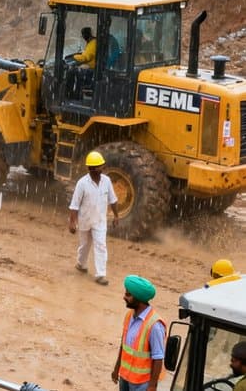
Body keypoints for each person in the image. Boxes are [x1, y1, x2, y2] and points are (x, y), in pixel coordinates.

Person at [69, 150, 120, 286]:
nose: (102, 168)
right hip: (85, 220)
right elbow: (74, 205)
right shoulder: (82, 183)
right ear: (91, 169)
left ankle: (100, 275)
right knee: (85, 245)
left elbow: (113, 200)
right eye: (99, 166)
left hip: (100, 222)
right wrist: (72, 222)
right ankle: (81, 264)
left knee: (101, 246)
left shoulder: (107, 181)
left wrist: (116, 216)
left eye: (102, 165)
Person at [112, 275, 166, 391]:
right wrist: (117, 369)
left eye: (128, 295)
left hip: (142, 383)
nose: (124, 297)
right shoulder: (129, 316)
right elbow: (124, 346)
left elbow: (158, 357)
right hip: (125, 377)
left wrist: (152, 385)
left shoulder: (154, 325)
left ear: (139, 299)